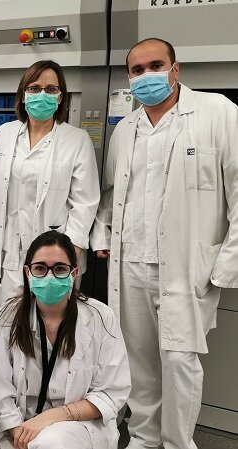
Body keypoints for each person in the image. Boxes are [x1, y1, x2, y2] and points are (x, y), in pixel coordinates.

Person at [91, 37, 238, 449]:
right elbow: (111, 193)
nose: (146, 76)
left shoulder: (217, 112)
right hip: (130, 263)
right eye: (137, 70)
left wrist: (228, 260)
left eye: (155, 66)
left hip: (186, 265)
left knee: (179, 361)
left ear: (175, 69)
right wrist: (103, 233)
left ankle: (176, 443)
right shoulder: (126, 129)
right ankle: (143, 437)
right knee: (137, 359)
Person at [0, 60, 99, 302]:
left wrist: (69, 255)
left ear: (60, 97)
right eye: (34, 88)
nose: (42, 95)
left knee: (51, 321)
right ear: (23, 95)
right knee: (7, 319)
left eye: (51, 89)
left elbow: (85, 203)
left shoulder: (77, 140)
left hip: (55, 256)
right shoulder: (5, 133)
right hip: (8, 253)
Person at [0, 230, 130, 449]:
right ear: (27, 272)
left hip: (77, 426)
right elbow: (0, 388)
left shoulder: (101, 317)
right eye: (40, 268)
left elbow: (111, 393)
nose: (49, 277)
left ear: (74, 273)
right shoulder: (7, 317)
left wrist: (51, 417)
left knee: (52, 442)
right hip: (20, 427)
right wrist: (19, 433)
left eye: (60, 269)